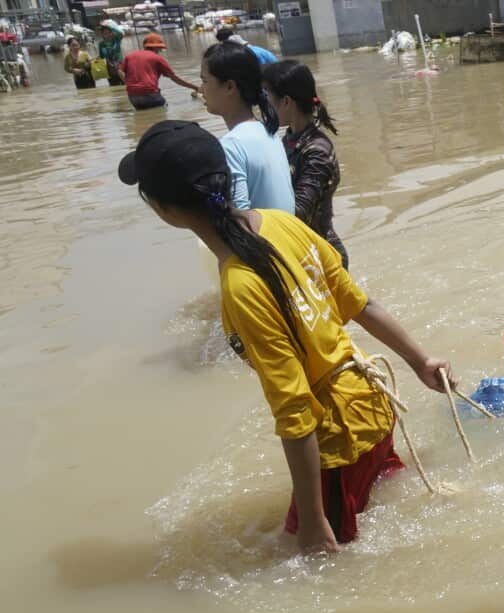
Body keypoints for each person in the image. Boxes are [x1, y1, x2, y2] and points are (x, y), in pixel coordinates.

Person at [117, 120, 454, 553]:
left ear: (164, 210)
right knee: (388, 507)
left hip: (338, 440)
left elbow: (295, 411)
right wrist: (420, 361)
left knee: (308, 562)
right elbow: (361, 304)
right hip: (373, 408)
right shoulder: (280, 223)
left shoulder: (240, 286)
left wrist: (312, 521)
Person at [263, 60, 349, 267]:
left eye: (266, 98)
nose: (263, 107)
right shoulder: (287, 140)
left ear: (286, 102)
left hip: (322, 257)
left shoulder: (317, 151)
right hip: (300, 252)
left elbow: (300, 211)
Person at [200, 42, 293, 212]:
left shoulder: (230, 145)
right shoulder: (268, 132)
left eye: (205, 81)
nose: (200, 89)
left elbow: (241, 220)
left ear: (229, 87)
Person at [119, 33, 200, 110]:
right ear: (155, 47)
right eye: (160, 48)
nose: (160, 51)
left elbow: (119, 71)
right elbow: (175, 78)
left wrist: (128, 84)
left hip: (133, 96)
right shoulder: (157, 58)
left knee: (142, 117)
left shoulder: (130, 56)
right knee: (163, 112)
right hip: (150, 94)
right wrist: (195, 87)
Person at [96, 21, 124, 87]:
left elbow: (120, 33)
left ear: (112, 33)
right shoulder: (101, 44)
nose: (107, 35)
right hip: (109, 67)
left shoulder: (116, 40)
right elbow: (102, 56)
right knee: (114, 86)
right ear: (102, 34)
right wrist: (98, 60)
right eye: (105, 33)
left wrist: (110, 26)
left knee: (124, 84)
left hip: (119, 65)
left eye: (109, 32)